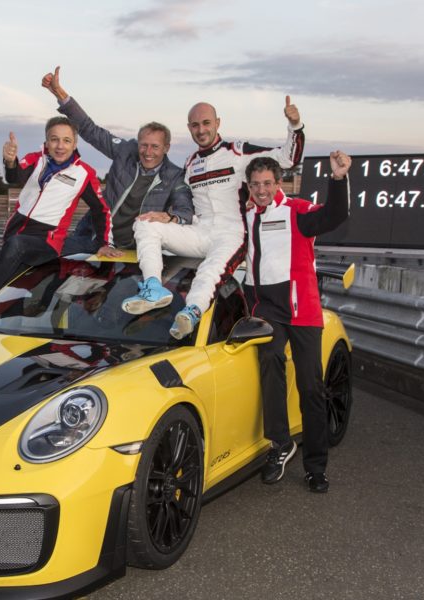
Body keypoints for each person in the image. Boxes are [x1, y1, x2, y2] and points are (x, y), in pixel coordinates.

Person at [124, 99, 306, 339]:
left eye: (206, 123)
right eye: (195, 125)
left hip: (231, 233)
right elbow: (183, 205)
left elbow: (287, 158)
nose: (201, 130)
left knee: (209, 272)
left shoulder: (238, 151)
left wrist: (295, 125)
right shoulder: (190, 163)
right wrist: (168, 217)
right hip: (199, 231)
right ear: (189, 128)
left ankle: (192, 311)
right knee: (145, 223)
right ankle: (154, 288)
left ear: (218, 123)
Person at [243, 152, 351, 493]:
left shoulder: (298, 211)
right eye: (255, 184)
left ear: (279, 184)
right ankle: (280, 444)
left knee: (311, 387)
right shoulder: (244, 215)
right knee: (270, 360)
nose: (261, 190)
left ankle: (316, 467)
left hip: (302, 308)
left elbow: (335, 215)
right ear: (249, 186)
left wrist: (337, 180)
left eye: (267, 184)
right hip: (266, 309)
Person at [0, 117, 111, 326]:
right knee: (13, 290)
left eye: (66, 140)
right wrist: (10, 161)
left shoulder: (84, 173)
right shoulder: (35, 159)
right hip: (17, 230)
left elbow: (101, 209)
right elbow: (15, 177)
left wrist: (104, 242)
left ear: (74, 144)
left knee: (17, 246)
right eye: (54, 139)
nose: (60, 146)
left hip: (47, 240)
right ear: (47, 141)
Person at [41, 66, 194, 257]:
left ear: (166, 148)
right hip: (92, 236)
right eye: (143, 145)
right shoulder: (126, 151)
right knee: (51, 267)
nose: (148, 152)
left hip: (129, 249)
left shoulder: (175, 176)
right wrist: (59, 93)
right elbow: (90, 130)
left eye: (155, 146)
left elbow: (185, 210)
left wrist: (171, 217)